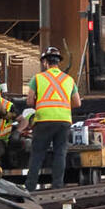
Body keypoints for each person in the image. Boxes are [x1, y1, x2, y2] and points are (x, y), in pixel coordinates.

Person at [27, 47, 79, 191]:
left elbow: (30, 101)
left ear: (45, 62)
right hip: (63, 121)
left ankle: (30, 187)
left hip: (43, 120)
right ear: (58, 63)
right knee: (60, 153)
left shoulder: (37, 78)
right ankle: (57, 186)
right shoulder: (69, 79)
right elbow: (77, 103)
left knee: (37, 154)